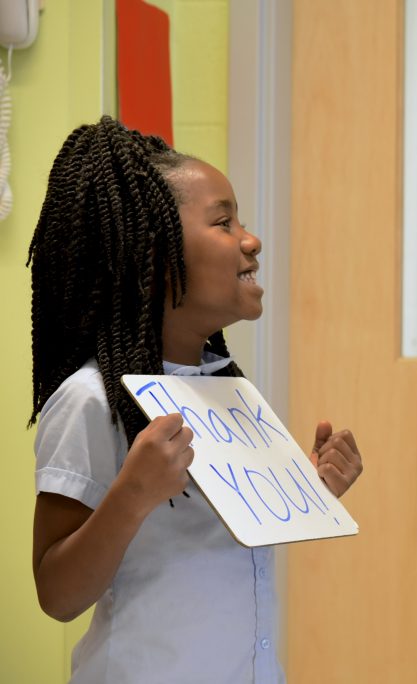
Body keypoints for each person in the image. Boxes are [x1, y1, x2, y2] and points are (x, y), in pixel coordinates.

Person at [27, 116, 364, 683]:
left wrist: (308, 489)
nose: (250, 239)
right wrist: (132, 495)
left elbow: (222, 540)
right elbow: (57, 595)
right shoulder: (90, 400)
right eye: (224, 222)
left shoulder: (227, 390)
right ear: (155, 255)